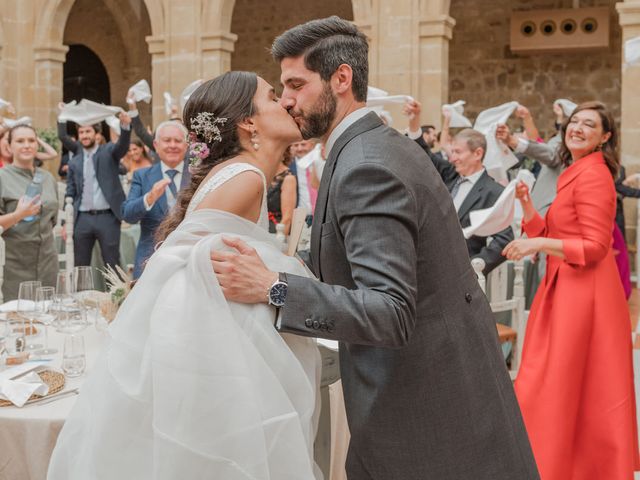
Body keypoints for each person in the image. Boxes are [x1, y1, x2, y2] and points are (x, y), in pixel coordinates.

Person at [210, 16, 538, 479]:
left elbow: (389, 310)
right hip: (443, 386)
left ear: (341, 78)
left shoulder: (367, 165)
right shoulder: (374, 146)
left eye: (296, 84)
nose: (286, 99)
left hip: (423, 411)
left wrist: (274, 288)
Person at [48, 72, 321, 480]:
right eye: (271, 96)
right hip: (215, 345)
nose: (284, 102)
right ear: (248, 122)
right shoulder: (246, 177)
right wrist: (288, 270)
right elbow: (189, 254)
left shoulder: (241, 172)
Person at [503, 101, 640, 479]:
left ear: (605, 137)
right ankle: (555, 463)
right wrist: (529, 208)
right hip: (566, 289)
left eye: (589, 125)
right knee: (556, 382)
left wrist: (538, 246)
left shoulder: (596, 176)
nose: (577, 129)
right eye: (574, 122)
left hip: (586, 295)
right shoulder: (576, 171)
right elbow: (551, 232)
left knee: (558, 382)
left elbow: (596, 247)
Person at [406, 101, 513, 275]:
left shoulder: (493, 191)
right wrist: (414, 121)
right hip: (427, 264)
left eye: (458, 152)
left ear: (477, 153)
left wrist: (473, 267)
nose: (452, 158)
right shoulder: (450, 175)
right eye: (452, 152)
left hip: (461, 274)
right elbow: (424, 155)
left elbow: (504, 239)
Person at [58, 113, 131, 271]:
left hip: (108, 218)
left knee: (112, 264)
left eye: (88, 131)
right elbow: (70, 193)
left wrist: (125, 126)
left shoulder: (109, 152)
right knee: (80, 265)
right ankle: (80, 296)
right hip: (82, 219)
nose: (84, 135)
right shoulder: (75, 161)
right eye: (81, 132)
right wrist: (66, 222)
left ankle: (117, 296)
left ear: (96, 134)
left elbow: (123, 145)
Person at [121, 121, 190, 278]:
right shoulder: (142, 176)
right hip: (150, 257)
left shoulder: (199, 175)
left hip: (190, 257)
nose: (172, 145)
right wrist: (149, 198)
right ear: (156, 145)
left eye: (178, 141)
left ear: (186, 146)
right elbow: (128, 214)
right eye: (167, 140)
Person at [0, 125, 58, 300]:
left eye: (31, 140)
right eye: (20, 141)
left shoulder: (48, 178)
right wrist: (18, 215)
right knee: (19, 321)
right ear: (9, 147)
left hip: (48, 262)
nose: (27, 145)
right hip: (16, 264)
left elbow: (51, 219)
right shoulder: (2, 178)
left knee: (48, 317)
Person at [267, 147, 296, 234]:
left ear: (283, 155)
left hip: (275, 230)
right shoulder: (265, 174)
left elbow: (287, 218)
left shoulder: (288, 178)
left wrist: (279, 240)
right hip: (260, 228)